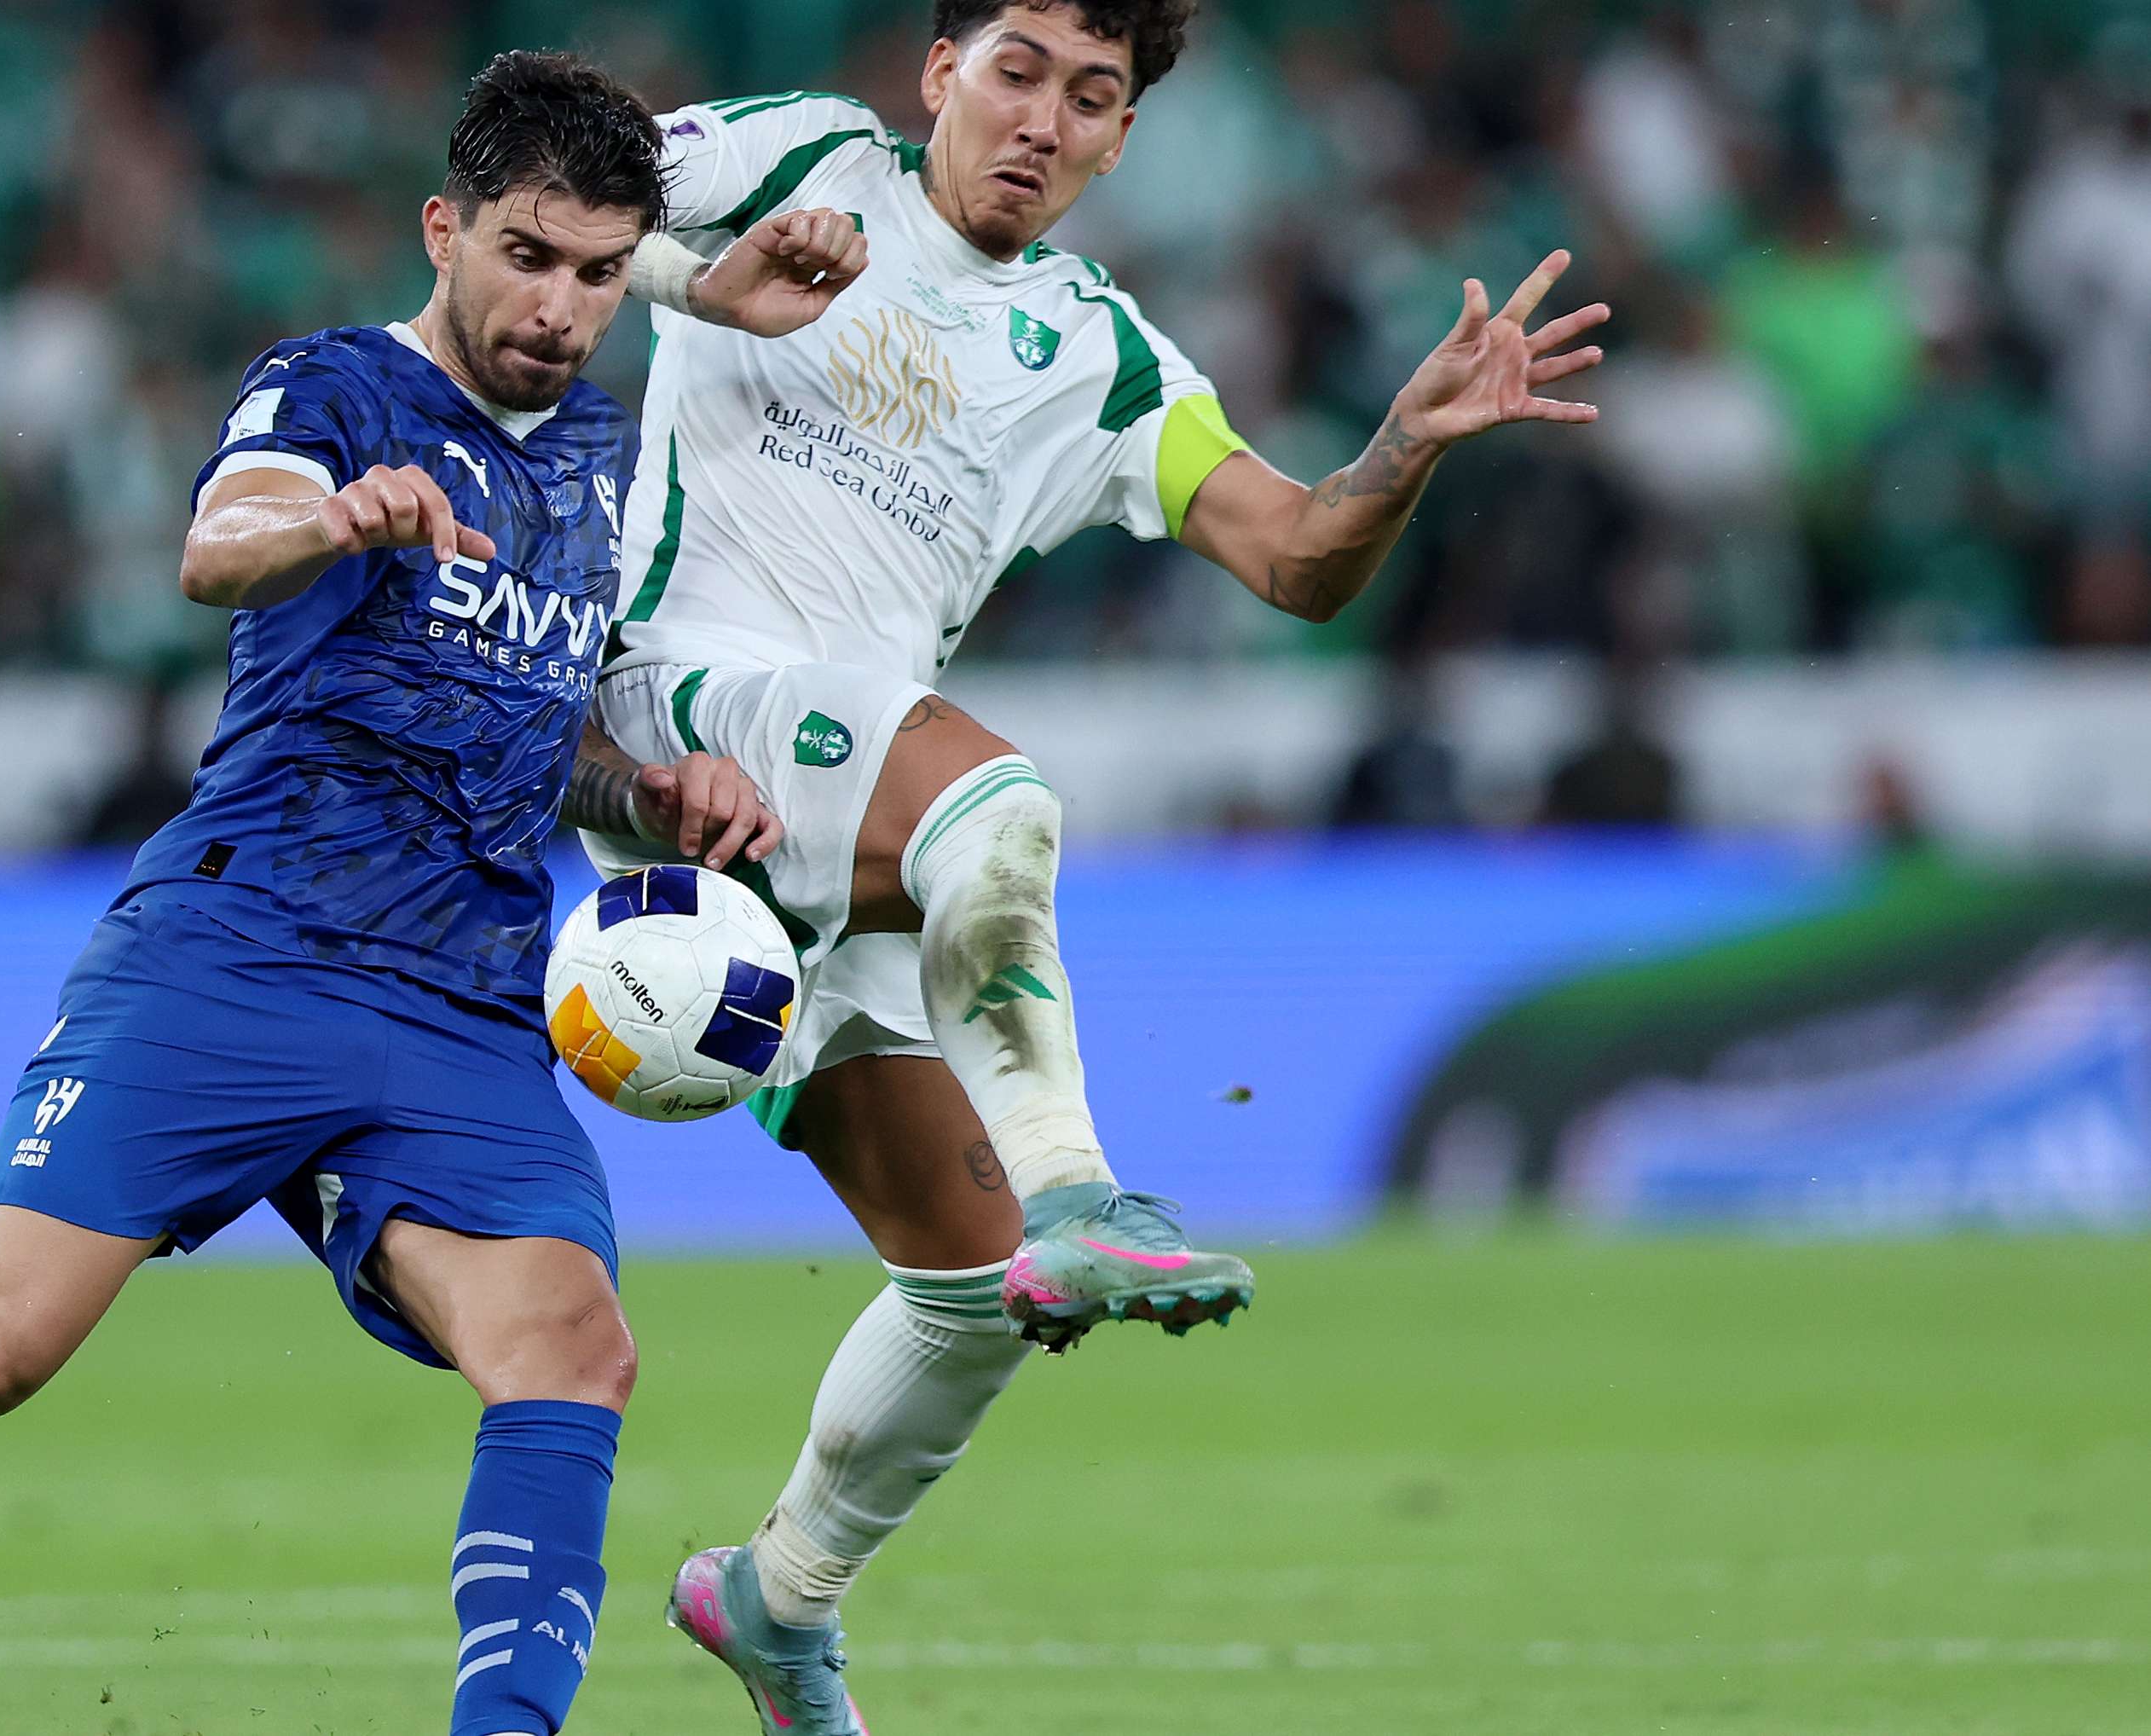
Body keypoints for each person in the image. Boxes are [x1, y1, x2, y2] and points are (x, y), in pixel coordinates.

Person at [0, 52, 850, 1736]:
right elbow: (221, 540)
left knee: (570, 1348)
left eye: (593, 271)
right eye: (524, 254)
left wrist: (647, 787)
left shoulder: (600, 461)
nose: (558, 305)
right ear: (445, 230)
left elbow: (533, 720)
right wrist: (342, 520)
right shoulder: (336, 389)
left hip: (463, 992)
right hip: (240, 949)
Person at [576, 3, 1611, 1725]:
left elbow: (1292, 557)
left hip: (843, 809)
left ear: (1124, 137)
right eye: (1014, 72)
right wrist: (705, 274)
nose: (1043, 119)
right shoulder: (801, 153)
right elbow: (551, 206)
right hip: (674, 702)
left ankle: (776, 1594)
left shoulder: (1098, 350)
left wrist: (1401, 450)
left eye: (1091, 95)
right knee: (999, 801)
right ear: (937, 75)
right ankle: (1081, 1187)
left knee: (970, 1294)